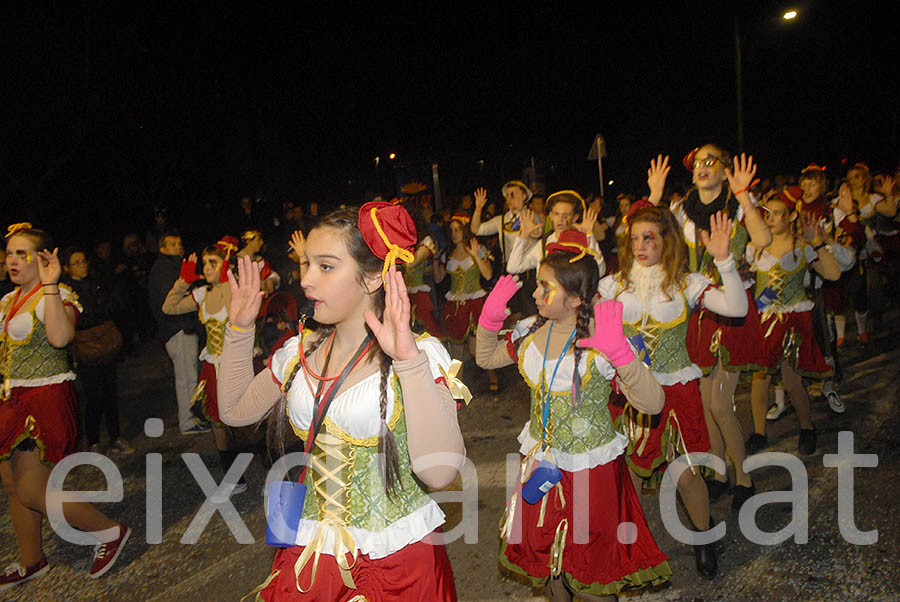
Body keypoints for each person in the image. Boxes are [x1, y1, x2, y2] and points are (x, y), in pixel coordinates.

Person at [218, 203, 465, 600]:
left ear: (371, 278)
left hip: (395, 558)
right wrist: (239, 327)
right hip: (310, 549)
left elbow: (440, 474)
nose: (307, 282)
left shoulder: (419, 355)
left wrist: (408, 363)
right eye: (306, 264)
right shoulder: (301, 351)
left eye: (326, 266)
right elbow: (234, 412)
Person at [476, 231, 670, 601]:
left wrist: (623, 358)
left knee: (593, 577)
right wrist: (488, 320)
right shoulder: (529, 333)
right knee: (553, 568)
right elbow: (485, 359)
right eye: (537, 285)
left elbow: (653, 404)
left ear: (577, 297)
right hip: (541, 465)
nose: (534, 295)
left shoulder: (607, 338)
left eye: (545, 287)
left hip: (590, 473)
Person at [599, 207, 748, 578]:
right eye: (634, 238)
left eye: (649, 237)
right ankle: (629, 547)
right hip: (630, 396)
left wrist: (723, 260)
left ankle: (703, 537)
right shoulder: (613, 286)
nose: (640, 245)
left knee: (684, 474)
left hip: (676, 395)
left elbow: (737, 308)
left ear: (667, 239)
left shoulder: (686, 284)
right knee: (628, 474)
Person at [0, 224, 130, 592]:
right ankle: (31, 561)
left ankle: (109, 531)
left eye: (22, 253)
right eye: (9, 252)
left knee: (31, 490)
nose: (12, 259)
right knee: (12, 485)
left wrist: (53, 283)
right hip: (11, 398)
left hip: (43, 399)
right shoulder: (9, 301)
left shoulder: (53, 295)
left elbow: (60, 338)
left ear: (42, 258)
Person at [647, 149, 771, 510]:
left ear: (726, 170)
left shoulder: (738, 205)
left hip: (730, 310)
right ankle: (720, 475)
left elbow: (762, 241)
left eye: (711, 161)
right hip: (696, 312)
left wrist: (745, 195)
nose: (702, 167)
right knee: (705, 403)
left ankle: (744, 477)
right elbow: (643, 232)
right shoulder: (682, 210)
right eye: (698, 162)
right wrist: (654, 197)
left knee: (719, 402)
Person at [746, 192, 841, 455]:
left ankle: (807, 427)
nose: (771, 218)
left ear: (792, 216)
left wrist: (819, 243)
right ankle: (759, 431)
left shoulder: (801, 247)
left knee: (792, 379)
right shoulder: (757, 247)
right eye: (768, 213)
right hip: (763, 322)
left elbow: (833, 274)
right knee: (760, 377)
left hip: (791, 325)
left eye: (778, 213)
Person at [163, 237, 248, 495]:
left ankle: (276, 470)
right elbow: (169, 308)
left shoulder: (236, 291)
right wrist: (184, 281)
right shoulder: (201, 293)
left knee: (248, 425)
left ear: (225, 265)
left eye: (213, 263)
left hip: (235, 365)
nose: (207, 268)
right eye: (204, 263)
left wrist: (231, 279)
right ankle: (235, 480)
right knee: (217, 424)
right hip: (212, 366)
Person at [60, 247, 134, 455]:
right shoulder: (65, 291)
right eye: (77, 262)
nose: (83, 265)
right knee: (94, 396)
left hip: (105, 344)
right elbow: (79, 319)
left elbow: (114, 306)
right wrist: (95, 314)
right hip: (85, 347)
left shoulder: (96, 283)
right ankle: (92, 440)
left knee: (110, 392)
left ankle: (115, 437)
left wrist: (94, 313)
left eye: (84, 260)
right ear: (67, 268)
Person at [148, 231, 207, 435]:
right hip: (177, 328)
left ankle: (193, 417)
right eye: (172, 244)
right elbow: (172, 301)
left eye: (179, 243)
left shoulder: (170, 266)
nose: (178, 247)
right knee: (186, 377)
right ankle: (188, 421)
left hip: (178, 328)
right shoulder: (164, 269)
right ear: (162, 248)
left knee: (189, 375)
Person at [433, 213, 498, 390]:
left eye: (457, 229)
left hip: (475, 303)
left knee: (476, 350)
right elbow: (438, 279)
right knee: (456, 351)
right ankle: (455, 389)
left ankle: (493, 377)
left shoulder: (477, 248)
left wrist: (476, 256)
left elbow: (488, 274)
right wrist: (436, 259)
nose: (454, 234)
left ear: (465, 230)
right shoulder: (449, 253)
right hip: (454, 306)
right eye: (452, 230)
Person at [470, 182, 541, 316]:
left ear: (524, 196)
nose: (509, 199)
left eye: (513, 194)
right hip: (509, 273)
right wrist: (478, 209)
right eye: (507, 195)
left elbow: (537, 233)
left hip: (528, 274)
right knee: (511, 314)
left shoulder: (531, 216)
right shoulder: (501, 220)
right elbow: (476, 229)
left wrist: (523, 215)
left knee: (531, 314)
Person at [506, 190, 604, 278]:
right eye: (556, 214)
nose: (560, 219)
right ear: (551, 216)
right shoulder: (543, 244)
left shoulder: (582, 242)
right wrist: (523, 235)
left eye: (566, 215)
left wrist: (589, 236)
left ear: (575, 217)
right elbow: (513, 267)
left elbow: (600, 271)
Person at [238, 230, 280, 296]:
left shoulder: (260, 260)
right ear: (248, 241)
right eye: (258, 240)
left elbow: (271, 274)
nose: (262, 243)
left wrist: (271, 280)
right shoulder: (237, 260)